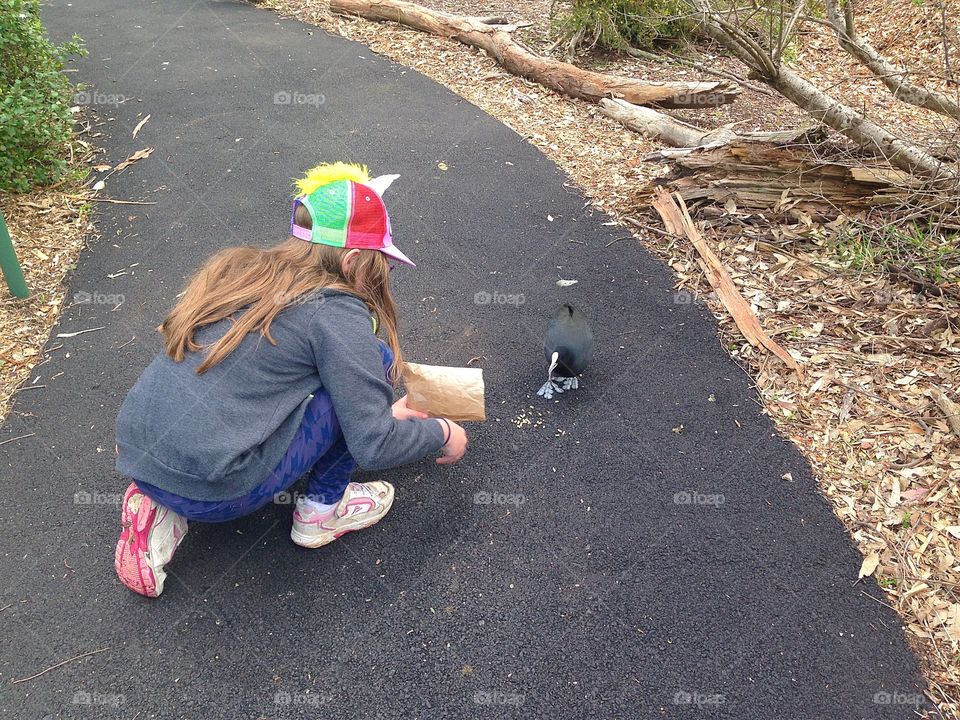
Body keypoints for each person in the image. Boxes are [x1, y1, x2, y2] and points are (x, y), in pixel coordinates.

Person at [113, 162, 468, 598]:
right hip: (218, 493)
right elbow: (373, 445)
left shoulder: (244, 270)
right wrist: (443, 432)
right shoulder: (334, 313)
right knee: (372, 361)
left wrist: (373, 412)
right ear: (354, 260)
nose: (385, 275)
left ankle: (156, 505)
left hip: (138, 452)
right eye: (384, 265)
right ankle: (322, 515)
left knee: (289, 382)